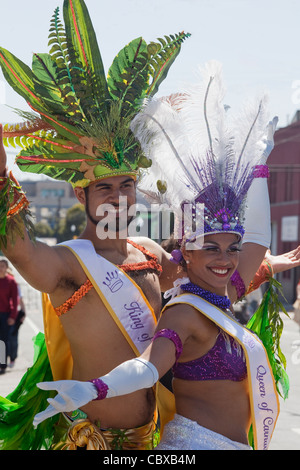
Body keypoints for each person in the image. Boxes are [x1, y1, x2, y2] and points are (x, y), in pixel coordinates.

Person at [33, 61, 284, 451]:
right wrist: (93, 389)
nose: (226, 258)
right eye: (211, 248)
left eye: (230, 249)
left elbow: (255, 242)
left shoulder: (220, 297)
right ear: (185, 254)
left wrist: (261, 164)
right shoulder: (184, 311)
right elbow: (148, 368)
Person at [0, 0, 190, 450]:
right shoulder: (68, 263)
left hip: (157, 438)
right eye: (104, 188)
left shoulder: (151, 253)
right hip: (92, 442)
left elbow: (207, 280)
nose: (119, 196)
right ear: (78, 194)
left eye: (127, 184)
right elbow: (20, 248)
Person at [0, 258, 18, 374]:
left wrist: (13, 316)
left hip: (5, 315)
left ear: (6, 268)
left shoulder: (11, 282)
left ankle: (2, 365)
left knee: (2, 341)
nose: (0, 268)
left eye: (2, 266)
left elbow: (15, 301)